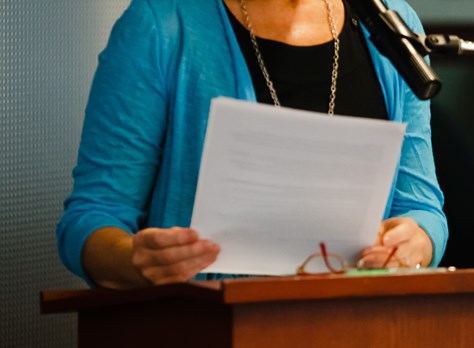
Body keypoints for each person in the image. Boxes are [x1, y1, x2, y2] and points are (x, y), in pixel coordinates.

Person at [56, 0, 448, 289]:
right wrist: (136, 259)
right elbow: (92, 218)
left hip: (358, 322)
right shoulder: (161, 23)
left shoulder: (391, 24)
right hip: (204, 326)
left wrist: (417, 243)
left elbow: (421, 208)